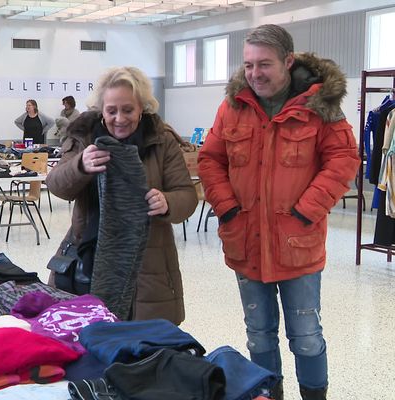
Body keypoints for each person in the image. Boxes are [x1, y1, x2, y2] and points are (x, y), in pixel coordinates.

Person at [197, 24, 359, 400]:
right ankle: (269, 395)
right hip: (246, 242)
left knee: (306, 336)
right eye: (249, 65)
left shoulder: (320, 107)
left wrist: (307, 211)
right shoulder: (233, 106)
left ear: (287, 62)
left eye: (265, 64)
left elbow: (343, 159)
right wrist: (228, 209)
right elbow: (210, 160)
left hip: (297, 243)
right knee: (258, 333)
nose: (255, 73)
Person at [45, 66, 198, 325]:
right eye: (111, 111)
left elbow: (187, 195)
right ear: (101, 110)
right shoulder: (84, 137)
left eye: (128, 110)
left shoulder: (161, 141)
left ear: (142, 107)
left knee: (141, 345)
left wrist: (167, 201)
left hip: (147, 262)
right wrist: (80, 165)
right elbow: (57, 185)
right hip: (88, 257)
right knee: (86, 340)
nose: (119, 118)